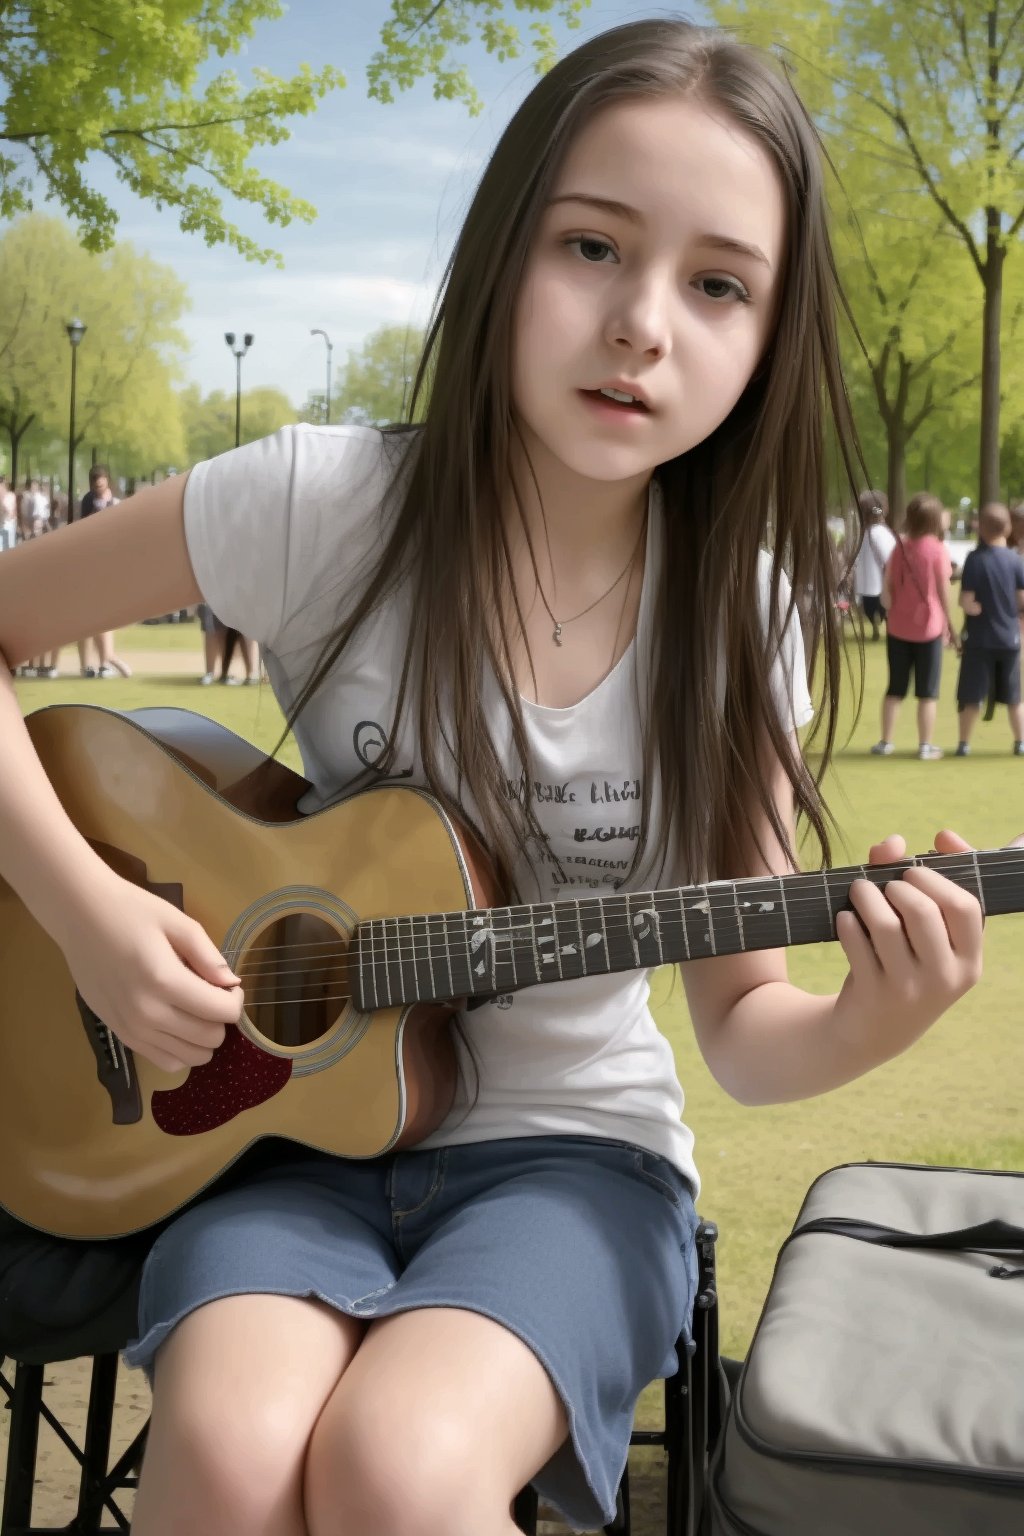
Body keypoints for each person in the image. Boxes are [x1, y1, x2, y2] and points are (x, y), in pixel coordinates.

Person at [0, 22, 988, 1536]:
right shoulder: (323, 505)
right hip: (275, 1142)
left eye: (718, 283)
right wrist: (82, 915)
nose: (642, 324)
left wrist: (871, 1015)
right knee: (231, 1449)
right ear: (503, 249)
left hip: (578, 1158)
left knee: (400, 1468)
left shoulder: (752, 618)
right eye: (593, 246)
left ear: (771, 338)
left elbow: (742, 1027)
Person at [873, 491, 958, 760]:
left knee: (895, 688)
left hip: (898, 626)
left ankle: (885, 742)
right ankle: (924, 745)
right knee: (927, 692)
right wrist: (951, 628)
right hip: (929, 629)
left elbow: (887, 589)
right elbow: (944, 593)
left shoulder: (899, 547)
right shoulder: (937, 550)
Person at [954, 502, 1024, 756]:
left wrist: (977, 608)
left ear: (981, 528)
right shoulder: (1016, 560)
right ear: (1007, 528)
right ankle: (1019, 741)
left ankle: (964, 743)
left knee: (972, 695)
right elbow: (1021, 600)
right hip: (1010, 638)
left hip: (980, 638)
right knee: (1015, 696)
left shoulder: (974, 559)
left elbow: (967, 601)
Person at [76, 464, 133, 679]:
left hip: (109, 565)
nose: (98, 489)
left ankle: (104, 662)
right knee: (87, 615)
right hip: (89, 563)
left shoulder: (116, 502)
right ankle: (86, 664)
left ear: (107, 481)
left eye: (102, 484)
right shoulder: (87, 501)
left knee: (106, 614)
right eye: (95, 485)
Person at [852, 489, 896, 640]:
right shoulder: (875, 532)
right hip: (875, 581)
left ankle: (879, 627)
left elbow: (888, 557)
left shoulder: (870, 533)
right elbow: (889, 556)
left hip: (872, 582)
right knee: (877, 606)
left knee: (874, 606)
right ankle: (880, 627)